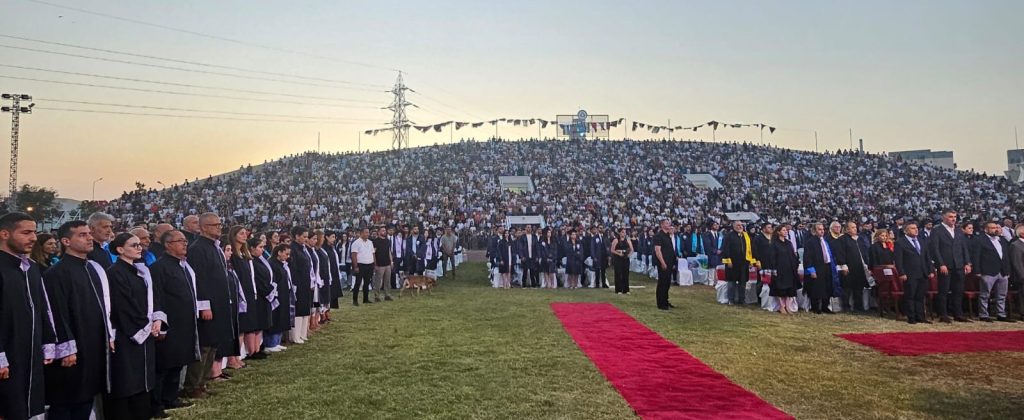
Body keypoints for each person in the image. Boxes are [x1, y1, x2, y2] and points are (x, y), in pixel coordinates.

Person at [43, 221, 115, 420]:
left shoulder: (93, 268)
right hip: (72, 348)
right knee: (67, 400)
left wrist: (108, 334)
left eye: (89, 234)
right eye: (82, 235)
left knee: (87, 394)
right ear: (66, 241)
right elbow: (56, 312)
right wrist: (66, 347)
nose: (90, 238)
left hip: (93, 343)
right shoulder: (56, 273)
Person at [0, 213, 56, 420]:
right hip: (7, 356)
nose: (33, 237)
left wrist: (48, 341)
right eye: (26, 232)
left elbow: (42, 307)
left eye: (34, 232)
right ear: (5, 234)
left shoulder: (31, 268)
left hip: (30, 355)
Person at [105, 232, 165, 420]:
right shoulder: (115, 273)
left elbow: (154, 297)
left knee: (143, 379)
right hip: (127, 334)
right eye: (134, 245)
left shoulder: (141, 271)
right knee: (127, 380)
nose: (139, 248)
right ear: (120, 249)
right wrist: (145, 327)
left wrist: (157, 319)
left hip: (145, 331)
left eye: (140, 245)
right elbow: (123, 306)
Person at [148, 230, 198, 417]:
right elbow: (157, 297)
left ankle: (171, 397)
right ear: (168, 245)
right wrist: (160, 322)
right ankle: (157, 403)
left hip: (184, 322)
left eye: (185, 241)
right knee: (164, 365)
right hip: (168, 323)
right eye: (180, 241)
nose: (184, 244)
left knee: (177, 362)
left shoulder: (182, 265)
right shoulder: (159, 268)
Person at [182, 212, 232, 399]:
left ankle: (202, 382)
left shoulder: (215, 247)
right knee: (204, 345)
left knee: (213, 344)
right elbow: (199, 281)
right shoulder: (197, 249)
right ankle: (192, 386)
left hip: (219, 303)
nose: (219, 227)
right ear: (203, 227)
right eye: (214, 225)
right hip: (207, 305)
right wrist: (204, 306)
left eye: (220, 224)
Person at [929, 210, 973, 323]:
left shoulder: (958, 231)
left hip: (959, 265)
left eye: (955, 217)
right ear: (944, 218)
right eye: (950, 217)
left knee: (958, 291)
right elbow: (935, 249)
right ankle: (943, 314)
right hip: (945, 265)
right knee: (943, 291)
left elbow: (964, 248)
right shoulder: (937, 230)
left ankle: (958, 314)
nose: (953, 219)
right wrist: (941, 264)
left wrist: (967, 263)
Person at [894, 222, 935, 324]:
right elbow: (898, 260)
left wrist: (930, 270)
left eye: (916, 228)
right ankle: (911, 317)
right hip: (910, 274)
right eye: (912, 228)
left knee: (920, 296)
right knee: (910, 296)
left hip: (923, 273)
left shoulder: (922, 241)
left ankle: (920, 316)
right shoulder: (900, 242)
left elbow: (927, 257)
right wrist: (901, 273)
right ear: (906, 231)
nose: (916, 230)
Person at [972, 221, 1013, 322]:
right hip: (988, 271)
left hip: (1002, 271)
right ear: (986, 229)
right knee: (985, 294)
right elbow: (976, 256)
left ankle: (1001, 314)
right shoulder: (980, 240)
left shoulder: (1002, 240)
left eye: (996, 227)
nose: (995, 229)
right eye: (992, 228)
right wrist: (977, 270)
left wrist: (1007, 270)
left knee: (1002, 295)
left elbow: (1006, 257)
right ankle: (983, 314)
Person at [803, 223, 839, 314]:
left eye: (823, 229)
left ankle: (825, 306)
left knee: (827, 286)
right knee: (816, 288)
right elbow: (808, 257)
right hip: (817, 267)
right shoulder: (810, 242)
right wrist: (811, 270)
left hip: (827, 266)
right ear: (814, 231)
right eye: (819, 229)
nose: (822, 231)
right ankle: (815, 307)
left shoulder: (825, 241)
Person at [246, 237, 274, 354]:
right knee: (256, 324)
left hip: (265, 295)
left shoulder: (260, 260)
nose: (262, 250)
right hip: (259, 295)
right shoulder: (252, 262)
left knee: (262, 323)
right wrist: (268, 289)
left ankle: (258, 347)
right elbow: (256, 280)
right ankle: (253, 350)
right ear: (252, 248)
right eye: (260, 247)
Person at [764, 223, 799, 314]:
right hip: (779, 269)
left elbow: (792, 255)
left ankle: (787, 305)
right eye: (783, 230)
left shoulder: (788, 243)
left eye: (786, 230)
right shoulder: (774, 244)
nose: (786, 231)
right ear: (779, 232)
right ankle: (781, 306)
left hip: (789, 269)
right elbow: (772, 257)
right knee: (779, 288)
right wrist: (774, 269)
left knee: (790, 288)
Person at [722, 221, 758, 305]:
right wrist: (728, 261)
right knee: (732, 282)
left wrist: (751, 261)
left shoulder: (746, 236)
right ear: (733, 226)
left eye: (741, 225)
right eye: (738, 225)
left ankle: (742, 299)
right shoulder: (729, 236)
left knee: (743, 282)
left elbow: (751, 249)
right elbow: (726, 249)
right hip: (732, 263)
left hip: (744, 263)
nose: (740, 227)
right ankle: (731, 299)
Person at [288, 226, 314, 340]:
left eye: (307, 237)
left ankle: (303, 333)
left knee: (305, 307)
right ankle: (295, 335)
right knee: (298, 308)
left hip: (305, 281)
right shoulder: (293, 249)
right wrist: (294, 284)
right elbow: (293, 268)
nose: (306, 239)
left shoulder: (303, 248)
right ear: (297, 236)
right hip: (298, 282)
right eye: (304, 236)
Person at [265, 243, 292, 353]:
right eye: (286, 254)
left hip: (283, 294)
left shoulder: (281, 264)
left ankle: (276, 342)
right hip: (276, 296)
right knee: (275, 319)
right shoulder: (272, 264)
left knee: (281, 318)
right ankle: (270, 343)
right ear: (279, 252)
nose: (287, 256)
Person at [839, 222, 869, 313]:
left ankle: (858, 306)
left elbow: (865, 252)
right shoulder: (842, 239)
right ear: (847, 229)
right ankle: (846, 307)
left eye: (855, 227)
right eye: (852, 227)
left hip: (860, 267)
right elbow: (841, 253)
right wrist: (843, 265)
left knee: (859, 288)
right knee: (847, 288)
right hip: (848, 267)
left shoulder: (860, 239)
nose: (855, 229)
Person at [653, 219, 677, 310]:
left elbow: (671, 249)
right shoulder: (658, 236)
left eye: (669, 223)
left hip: (670, 262)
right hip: (663, 262)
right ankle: (661, 303)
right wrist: (662, 262)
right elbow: (658, 250)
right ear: (662, 225)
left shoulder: (668, 236)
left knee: (667, 283)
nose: (669, 224)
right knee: (662, 282)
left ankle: (666, 300)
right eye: (666, 223)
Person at [350, 228, 375, 306]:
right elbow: (354, 255)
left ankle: (366, 299)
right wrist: (356, 266)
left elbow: (373, 253)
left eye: (368, 232)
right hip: (360, 265)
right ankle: (355, 300)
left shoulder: (370, 242)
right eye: (366, 232)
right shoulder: (356, 243)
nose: (367, 234)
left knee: (367, 283)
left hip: (369, 264)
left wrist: (374, 264)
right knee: (358, 283)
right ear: (361, 233)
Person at [371, 226, 393, 302]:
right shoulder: (375, 241)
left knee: (387, 281)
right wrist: (375, 264)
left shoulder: (387, 241)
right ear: (379, 232)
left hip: (387, 264)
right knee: (378, 281)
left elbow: (389, 251)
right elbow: (373, 253)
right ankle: (377, 296)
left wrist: (391, 261)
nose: (384, 232)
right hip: (379, 264)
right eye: (382, 230)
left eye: (385, 230)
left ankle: (387, 295)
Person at [610, 227, 634, 295]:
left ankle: (626, 289)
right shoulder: (616, 240)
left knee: (626, 274)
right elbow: (612, 250)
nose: (624, 233)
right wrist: (618, 254)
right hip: (618, 259)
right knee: (618, 273)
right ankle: (618, 289)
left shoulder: (628, 240)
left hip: (625, 259)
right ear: (619, 233)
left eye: (625, 232)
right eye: (623, 232)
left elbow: (632, 249)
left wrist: (629, 255)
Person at [1008, 225, 1024, 321]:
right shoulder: (1016, 245)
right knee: (1022, 296)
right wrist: (1022, 276)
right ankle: (1022, 313)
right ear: (1022, 233)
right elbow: (1016, 263)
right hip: (1021, 276)